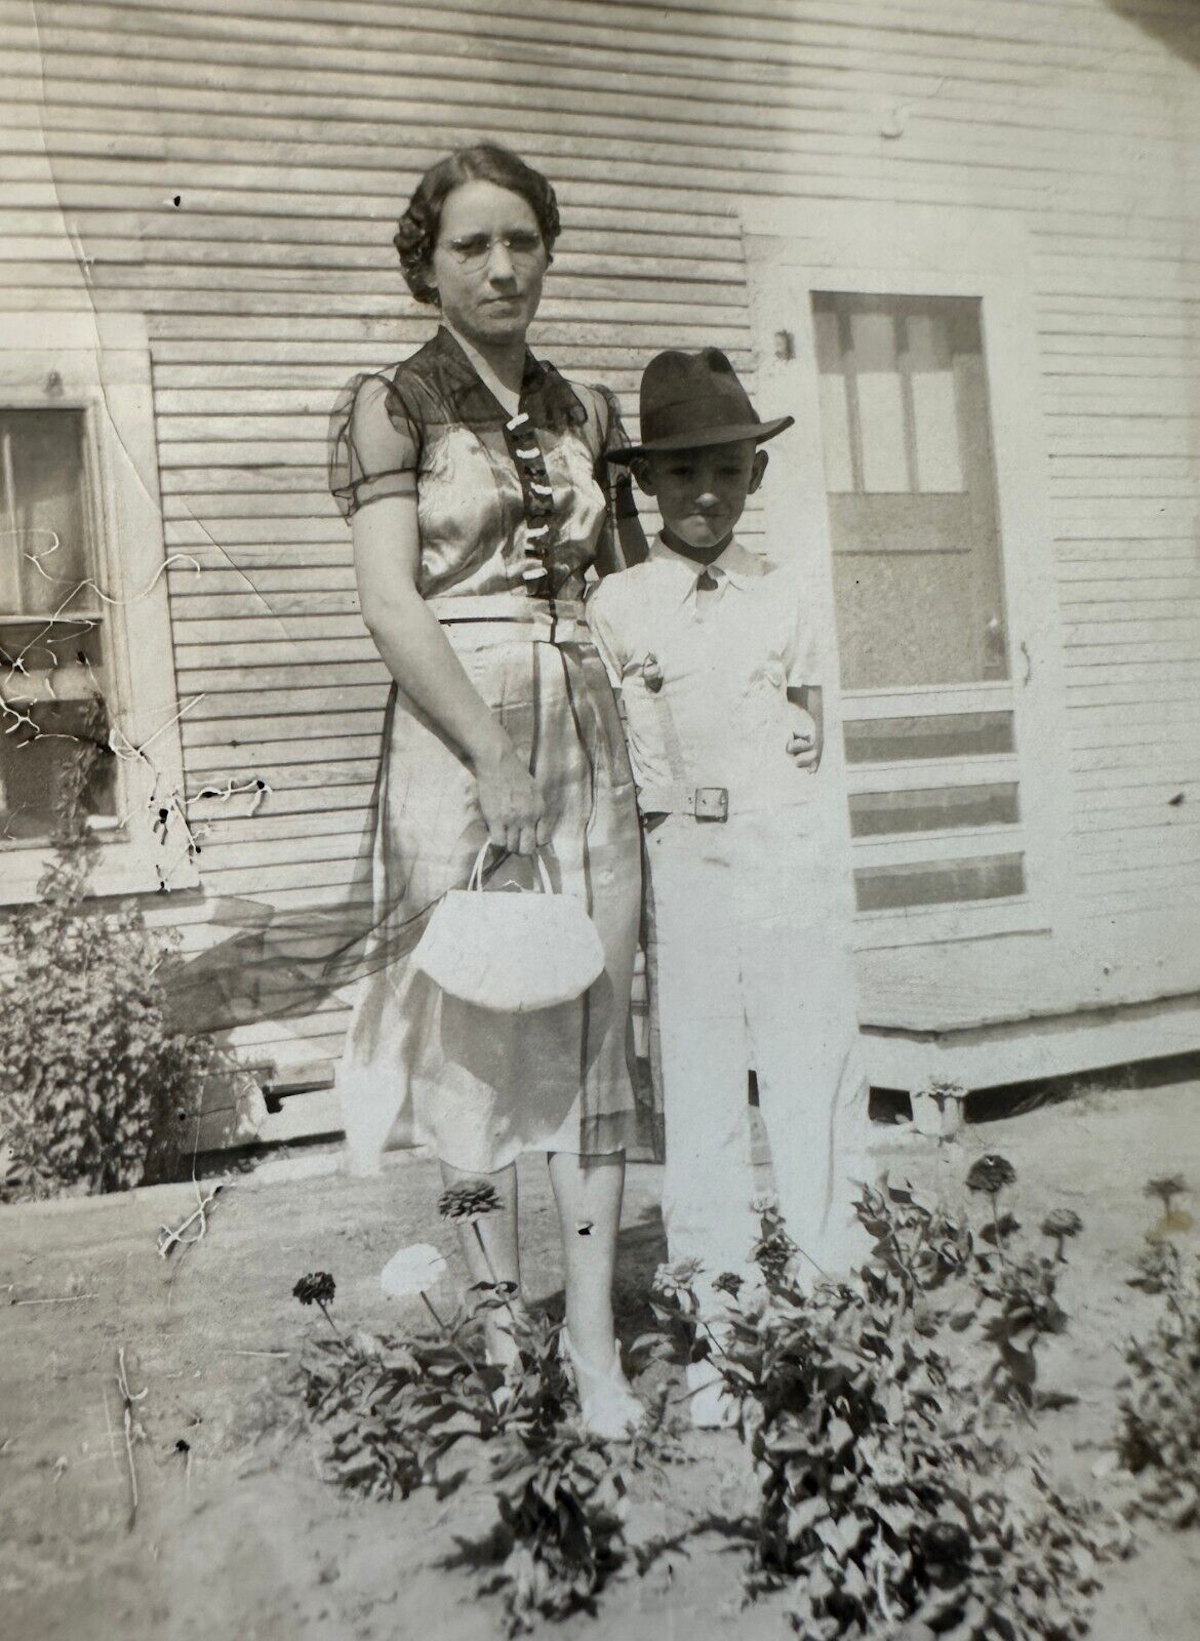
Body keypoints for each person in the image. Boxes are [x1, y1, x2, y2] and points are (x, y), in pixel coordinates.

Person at [328, 143, 647, 1439]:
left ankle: (595, 1345)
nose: (502, 266)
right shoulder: (392, 405)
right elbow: (391, 604)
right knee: (470, 1037)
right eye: (472, 244)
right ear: (428, 265)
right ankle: (510, 1335)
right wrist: (493, 755)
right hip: (456, 736)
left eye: (523, 240)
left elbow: (621, 590)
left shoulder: (584, 410)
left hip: (585, 723)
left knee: (595, 1028)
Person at [587, 349, 872, 1427]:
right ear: (648, 484)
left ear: (756, 474)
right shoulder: (619, 605)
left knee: (813, 1072)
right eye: (682, 472)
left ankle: (835, 1313)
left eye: (726, 470)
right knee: (702, 1092)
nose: (705, 493)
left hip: (786, 854)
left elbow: (813, 733)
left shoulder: (789, 593)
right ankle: (720, 1333)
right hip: (686, 864)